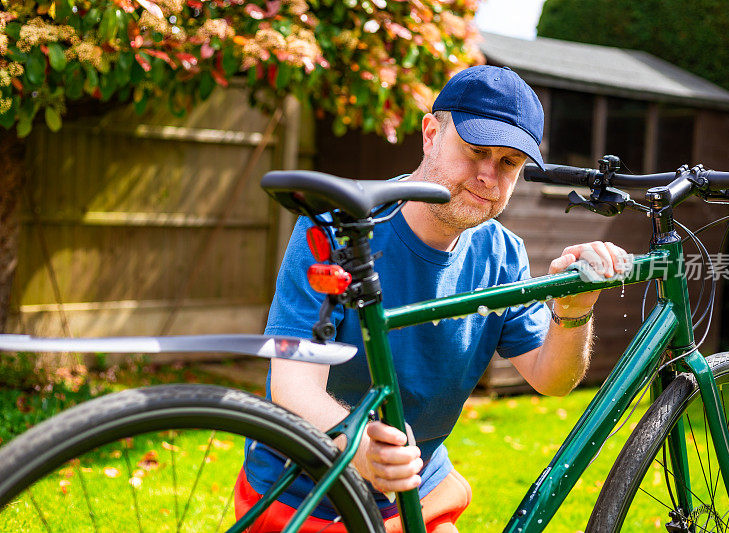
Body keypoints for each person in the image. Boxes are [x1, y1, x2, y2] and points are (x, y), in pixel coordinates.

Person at [234, 65, 629, 532]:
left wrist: (574, 311)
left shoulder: (503, 254)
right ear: (430, 134)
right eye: (476, 150)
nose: (488, 176)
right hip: (307, 489)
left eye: (508, 164)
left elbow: (552, 379)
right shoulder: (337, 229)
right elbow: (293, 384)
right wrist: (359, 446)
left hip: (418, 490)